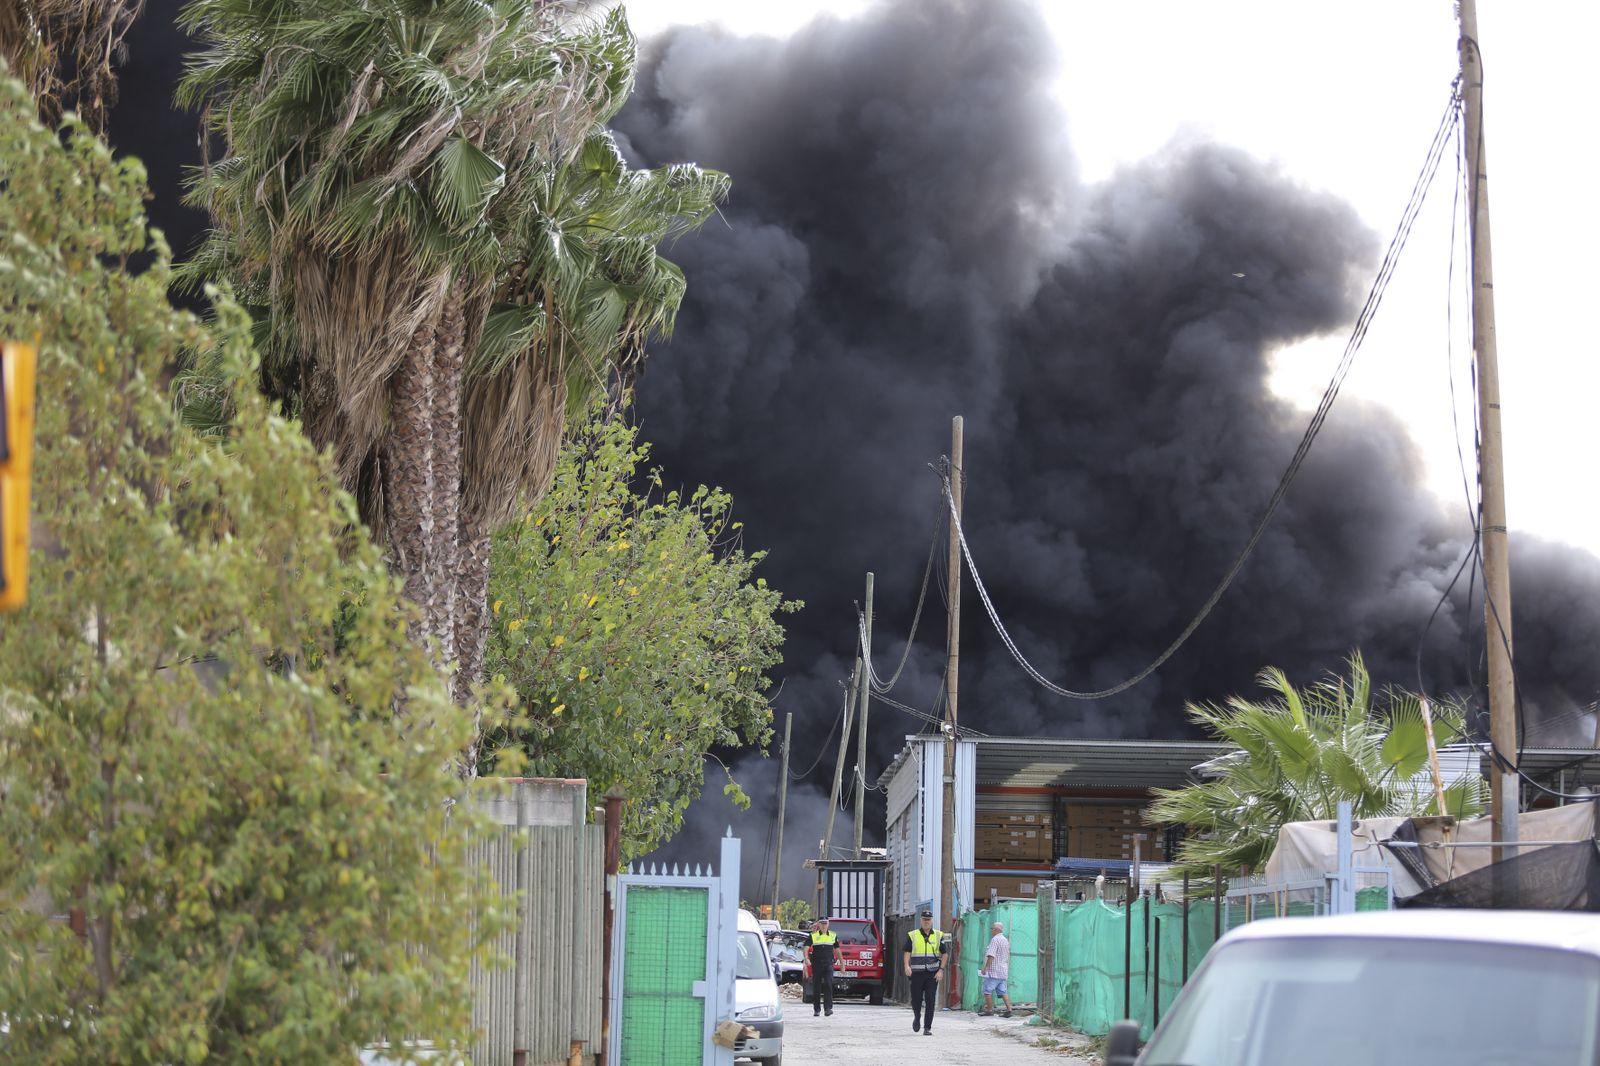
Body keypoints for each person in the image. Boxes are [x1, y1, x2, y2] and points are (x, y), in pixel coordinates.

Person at [902, 909, 946, 1036]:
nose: (927, 922)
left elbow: (945, 954)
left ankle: (927, 1027)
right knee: (916, 999)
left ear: (932, 921)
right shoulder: (913, 935)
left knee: (930, 1000)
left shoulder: (938, 935)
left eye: (929, 920)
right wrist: (906, 966)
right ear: (921, 921)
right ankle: (917, 1017)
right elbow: (907, 952)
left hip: (932, 973)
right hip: (916, 973)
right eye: (924, 920)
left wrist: (941, 970)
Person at [979, 921, 1013, 1018]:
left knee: (987, 990)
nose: (991, 930)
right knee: (1002, 991)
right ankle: (1009, 1010)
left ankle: (989, 1010)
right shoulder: (1005, 940)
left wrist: (986, 968)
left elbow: (991, 955)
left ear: (996, 930)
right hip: (1002, 971)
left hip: (994, 971)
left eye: (992, 928)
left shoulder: (995, 940)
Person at [807, 916, 838, 1017]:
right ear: (819, 924)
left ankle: (828, 1009)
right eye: (822, 923)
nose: (824, 925)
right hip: (817, 964)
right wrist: (806, 958)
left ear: (828, 924)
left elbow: (838, 949)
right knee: (817, 987)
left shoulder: (833, 935)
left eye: (826, 923)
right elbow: (806, 947)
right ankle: (817, 1009)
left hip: (828, 964)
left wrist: (842, 964)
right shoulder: (813, 936)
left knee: (828, 985)